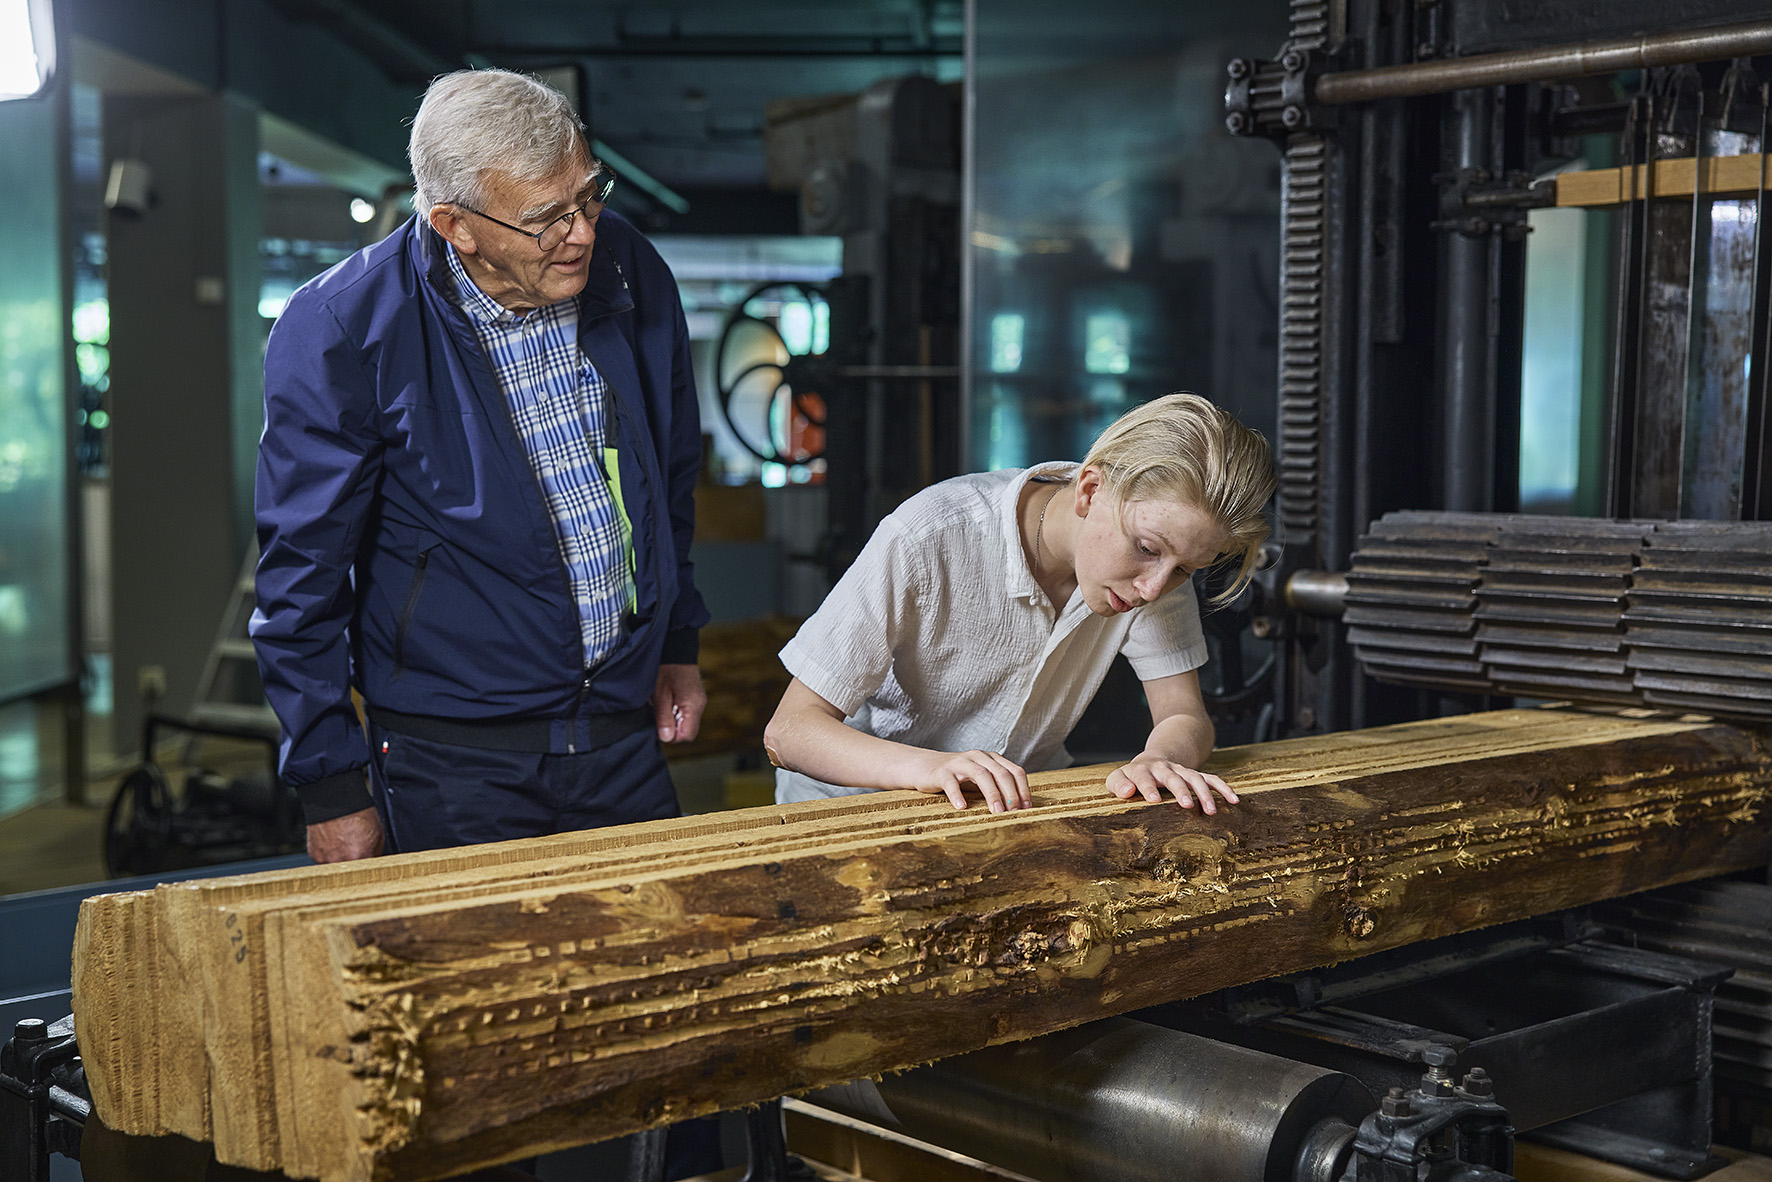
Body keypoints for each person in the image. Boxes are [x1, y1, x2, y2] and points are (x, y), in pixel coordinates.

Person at [252, 69, 710, 866]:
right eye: (546, 219)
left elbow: (667, 479)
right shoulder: (343, 328)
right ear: (455, 225)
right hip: (453, 763)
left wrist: (677, 640)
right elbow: (302, 575)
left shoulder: (629, 267)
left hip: (619, 734)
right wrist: (330, 782)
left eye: (588, 196)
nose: (582, 234)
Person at [764, 393, 1275, 813]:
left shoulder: (1160, 558)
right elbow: (789, 732)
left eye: (1185, 570)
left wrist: (1160, 758)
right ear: (1090, 490)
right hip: (851, 809)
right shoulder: (928, 535)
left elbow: (1184, 715)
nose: (1154, 589)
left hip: (1004, 810)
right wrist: (931, 767)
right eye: (1145, 549)